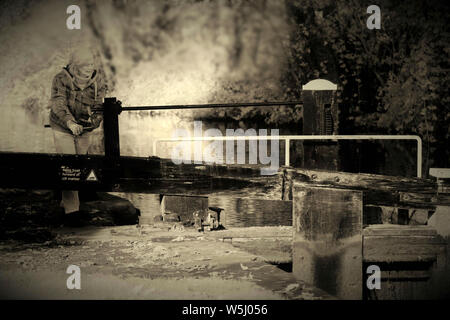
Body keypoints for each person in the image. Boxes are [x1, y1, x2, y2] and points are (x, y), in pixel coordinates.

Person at [49, 46, 107, 227]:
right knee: (70, 168)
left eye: (91, 63)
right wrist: (70, 123)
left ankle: (65, 201)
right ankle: (72, 213)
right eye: (85, 64)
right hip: (62, 127)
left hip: (84, 130)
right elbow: (59, 104)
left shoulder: (99, 81)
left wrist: (93, 122)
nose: (90, 66)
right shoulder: (60, 79)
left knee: (80, 166)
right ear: (76, 65)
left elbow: (98, 106)